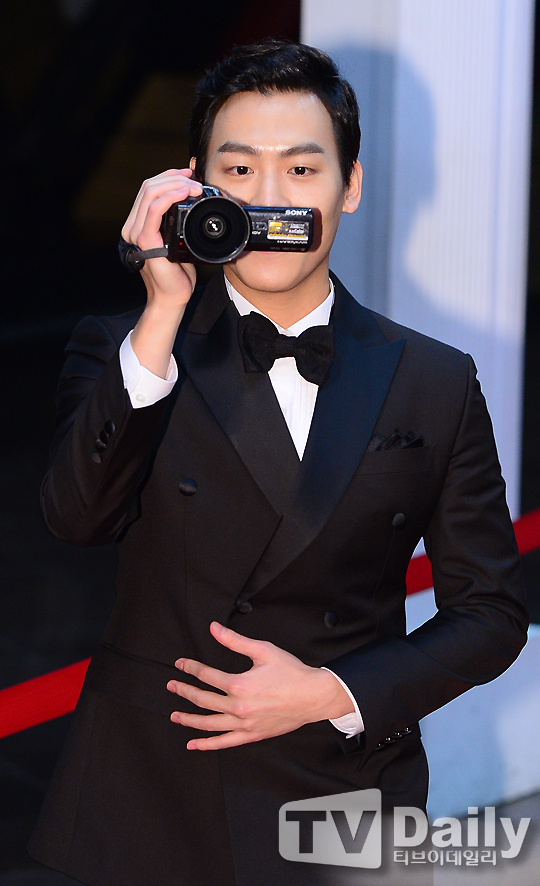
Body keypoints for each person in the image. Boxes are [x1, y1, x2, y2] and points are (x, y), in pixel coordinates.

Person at [29, 39, 528, 886]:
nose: (268, 199)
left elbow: (491, 612)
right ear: (194, 186)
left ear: (350, 185)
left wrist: (335, 691)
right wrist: (162, 311)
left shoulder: (434, 378)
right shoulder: (129, 349)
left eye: (301, 170)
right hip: (149, 795)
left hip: (347, 795)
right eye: (240, 170)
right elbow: (75, 517)